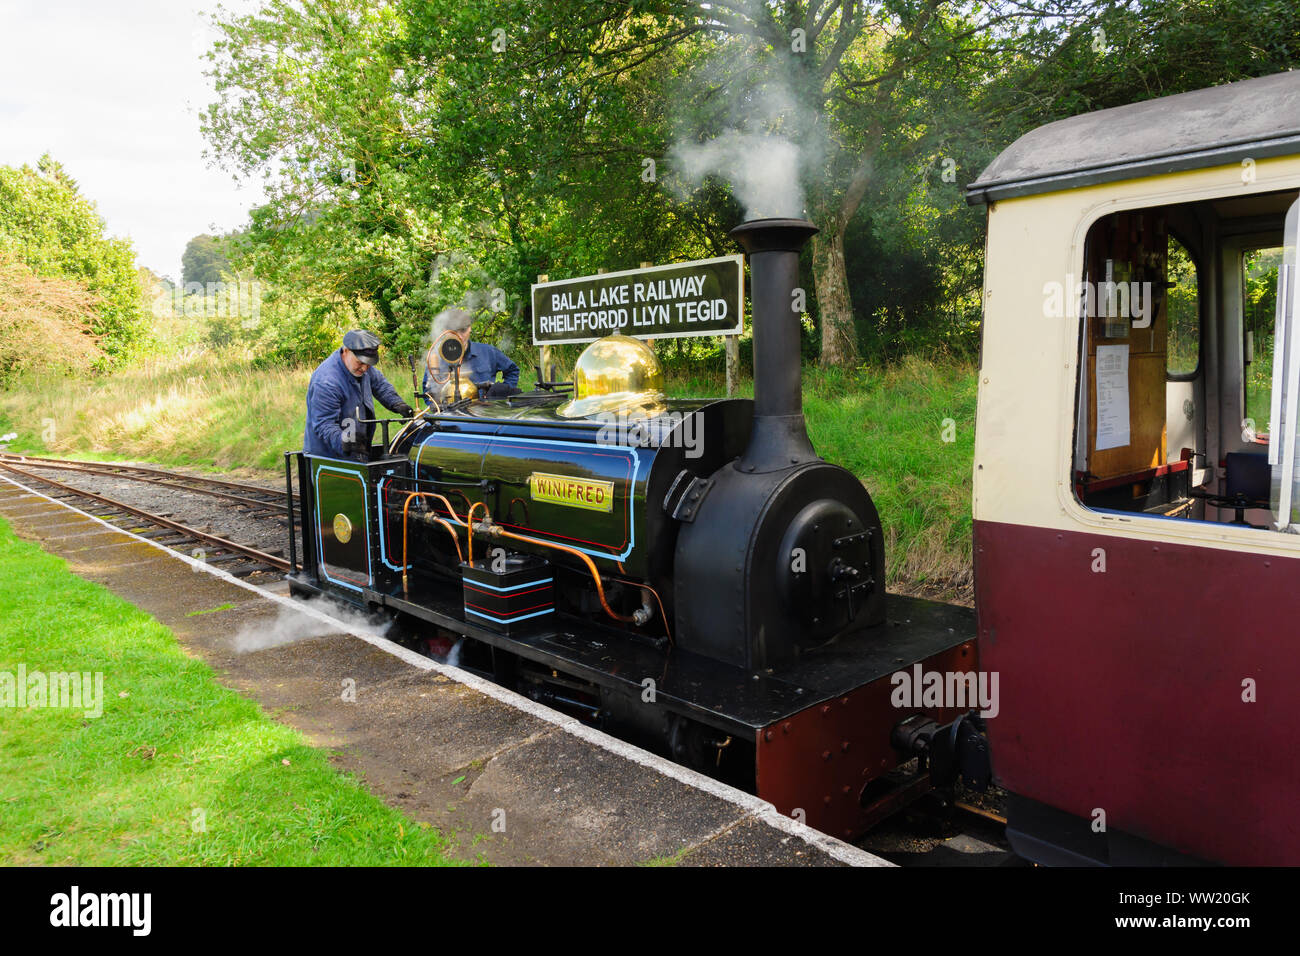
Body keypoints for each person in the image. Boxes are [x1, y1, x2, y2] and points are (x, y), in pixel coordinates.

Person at [304, 329, 414, 460]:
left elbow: (380, 385)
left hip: (358, 450)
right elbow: (324, 424)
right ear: (346, 351)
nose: (364, 368)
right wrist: (345, 441)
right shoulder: (327, 381)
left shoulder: (363, 368)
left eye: (368, 364)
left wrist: (397, 404)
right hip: (330, 457)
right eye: (360, 363)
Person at [422, 307, 520, 401]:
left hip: (484, 413)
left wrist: (501, 393)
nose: (459, 336)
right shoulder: (436, 357)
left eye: (463, 330)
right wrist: (436, 407)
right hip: (450, 416)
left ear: (470, 328)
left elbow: (513, 370)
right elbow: (428, 391)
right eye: (454, 331)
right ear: (445, 332)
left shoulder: (488, 352)